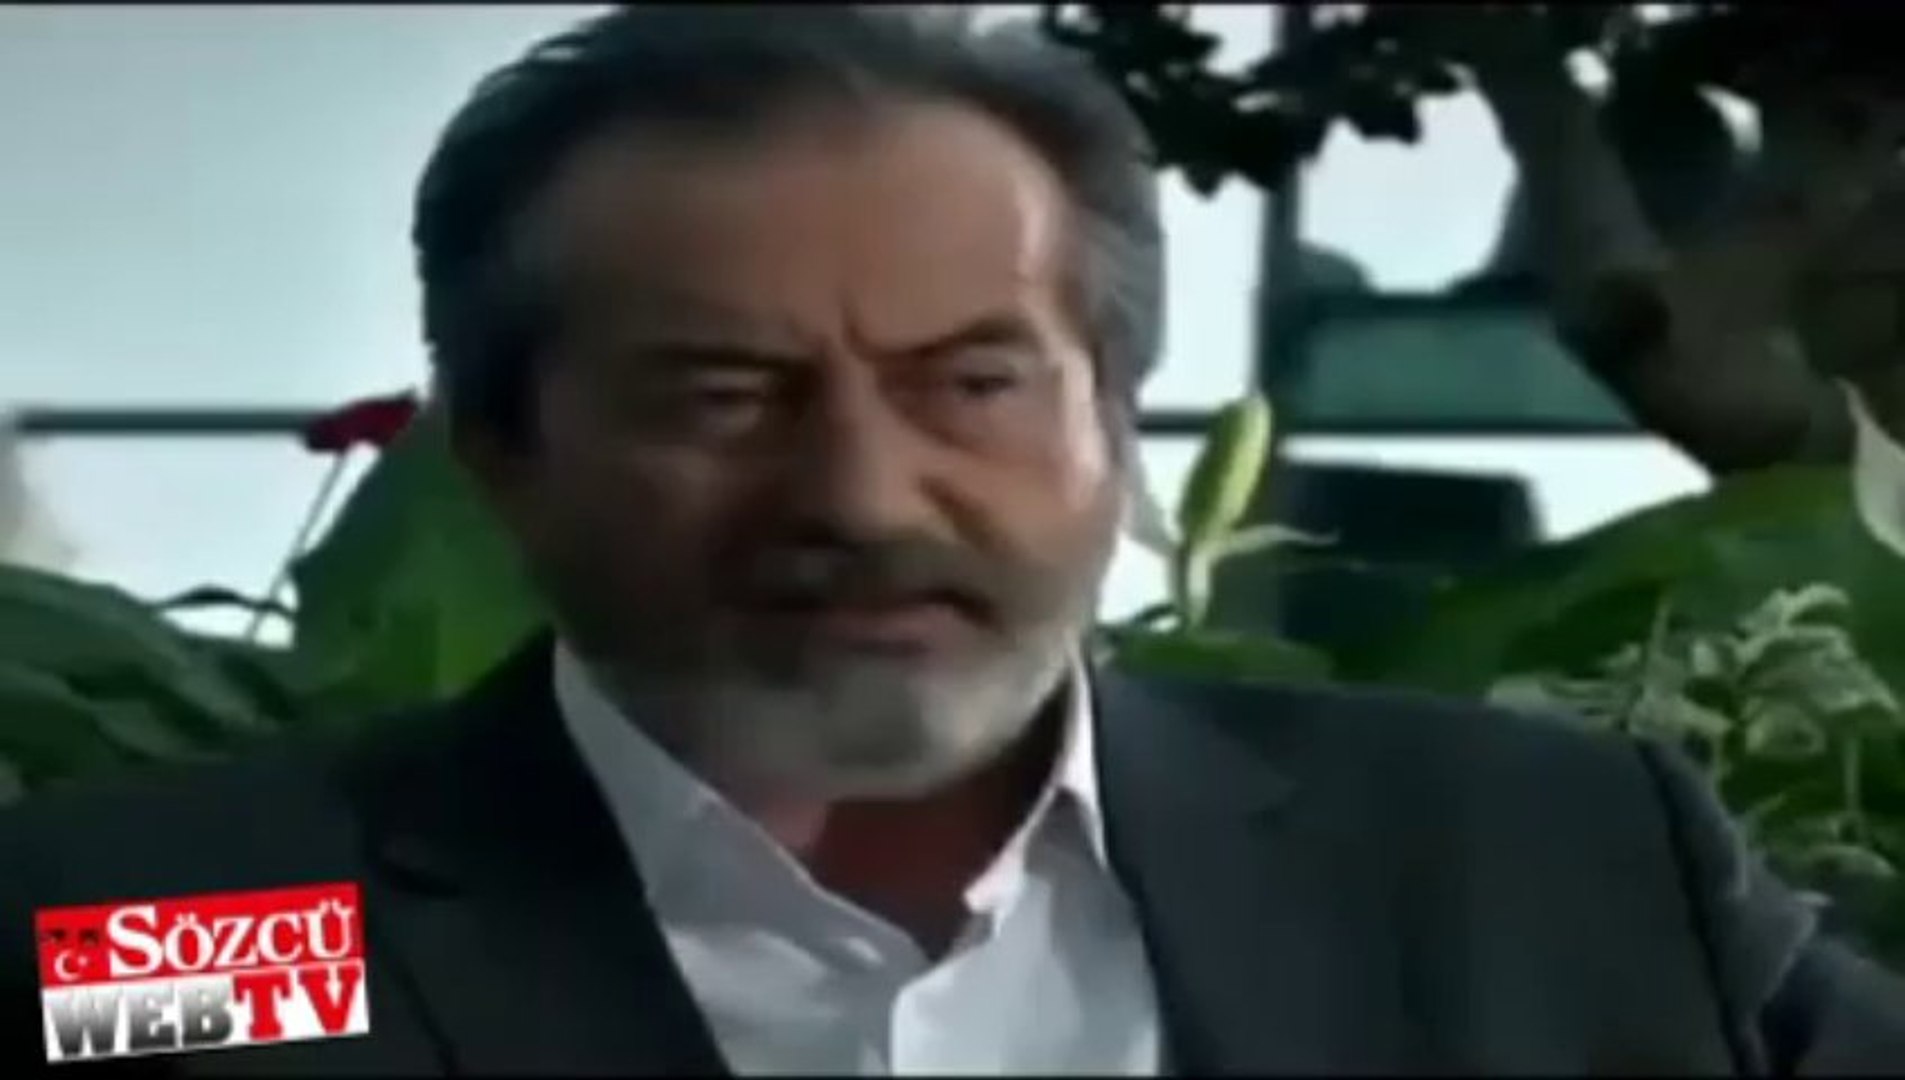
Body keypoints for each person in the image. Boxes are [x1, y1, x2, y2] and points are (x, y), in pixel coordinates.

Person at [4, 6, 1904, 1074]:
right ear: (500, 454)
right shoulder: (195, 940)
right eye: (721, 396)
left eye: (969, 382)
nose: (860, 494)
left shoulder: (1546, 868)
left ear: (1114, 420)